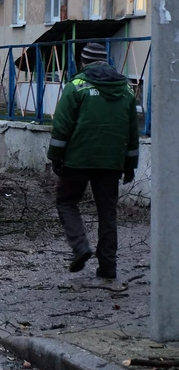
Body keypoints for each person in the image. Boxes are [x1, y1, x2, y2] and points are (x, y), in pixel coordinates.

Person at [48, 42, 139, 279]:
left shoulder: (76, 86)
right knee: (108, 213)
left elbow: (62, 125)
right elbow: (132, 131)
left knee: (67, 202)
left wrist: (56, 157)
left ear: (83, 62)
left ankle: (80, 247)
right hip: (111, 162)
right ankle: (108, 267)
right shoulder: (127, 89)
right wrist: (130, 165)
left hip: (79, 159)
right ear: (106, 61)